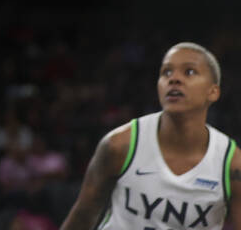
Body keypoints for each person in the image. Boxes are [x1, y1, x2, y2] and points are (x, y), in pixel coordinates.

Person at [59, 43, 239, 230]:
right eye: (166, 72)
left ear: (213, 91)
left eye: (190, 72)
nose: (174, 79)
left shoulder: (232, 164)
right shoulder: (119, 145)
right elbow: (82, 216)